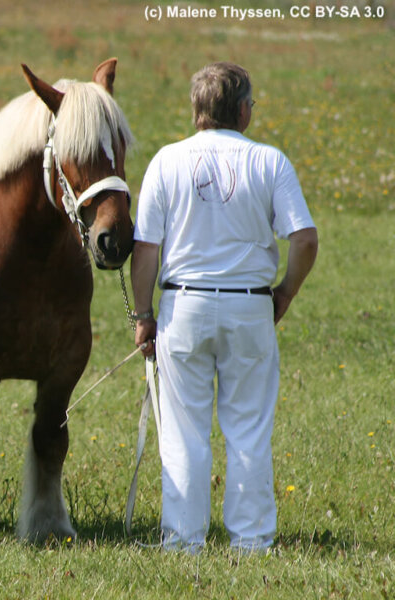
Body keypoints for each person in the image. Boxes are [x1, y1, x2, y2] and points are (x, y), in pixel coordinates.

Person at [130, 62, 318, 553]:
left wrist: (144, 315)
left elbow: (146, 247)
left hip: (183, 306)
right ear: (240, 110)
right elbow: (305, 239)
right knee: (249, 428)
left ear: (197, 111)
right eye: (251, 103)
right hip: (251, 306)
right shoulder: (270, 162)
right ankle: (252, 540)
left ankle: (183, 540)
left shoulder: (166, 162)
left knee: (184, 430)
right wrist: (285, 293)